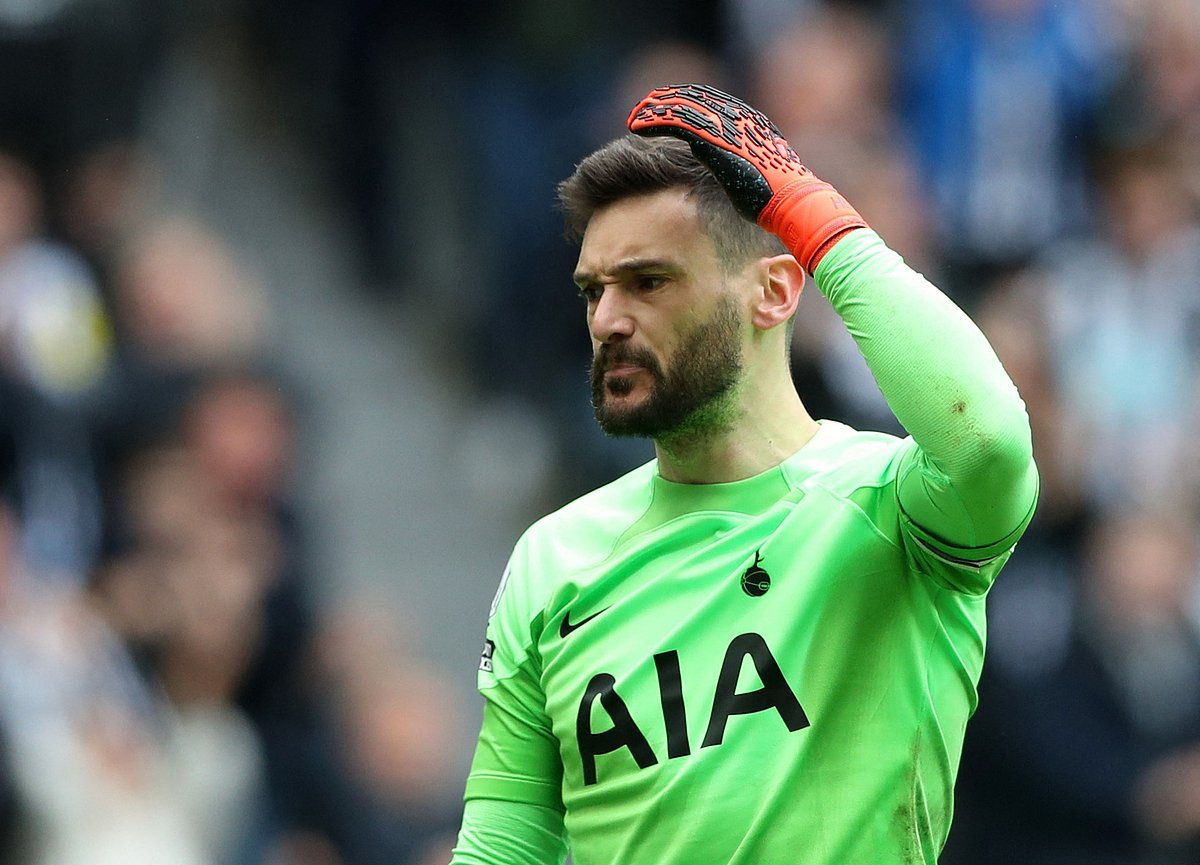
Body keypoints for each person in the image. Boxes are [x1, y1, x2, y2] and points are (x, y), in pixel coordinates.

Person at [449, 84, 1038, 865]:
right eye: (594, 290)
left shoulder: (891, 507)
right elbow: (504, 845)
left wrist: (806, 208)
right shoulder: (552, 559)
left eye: (649, 281)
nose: (606, 320)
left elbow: (990, 438)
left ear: (775, 290)